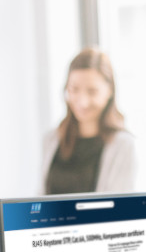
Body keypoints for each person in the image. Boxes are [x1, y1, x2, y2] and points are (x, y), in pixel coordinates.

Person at [41, 47, 137, 194]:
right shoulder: (52, 139)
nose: (83, 102)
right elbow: (40, 198)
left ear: (110, 90)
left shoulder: (123, 145)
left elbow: (120, 208)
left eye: (92, 91)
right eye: (74, 89)